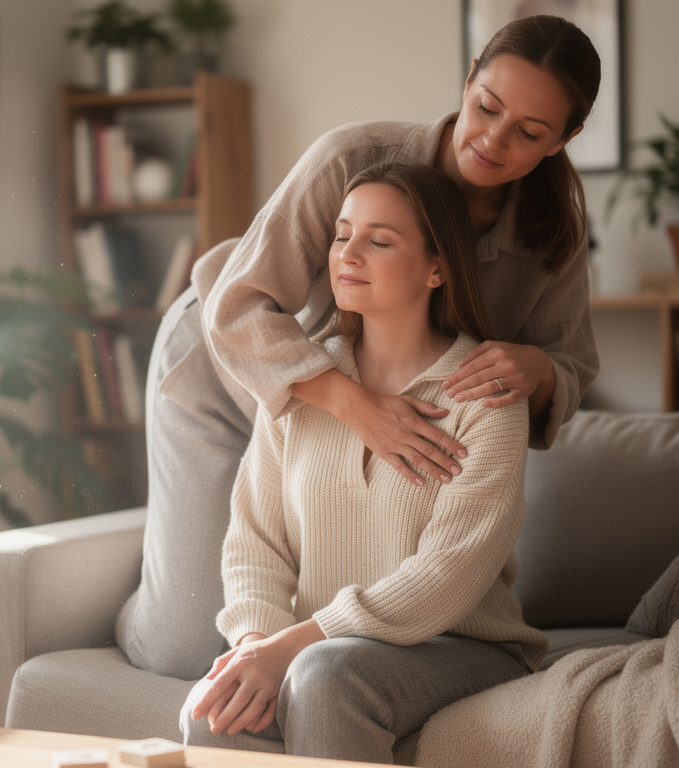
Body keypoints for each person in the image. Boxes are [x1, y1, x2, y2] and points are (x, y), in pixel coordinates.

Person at [116, 14, 601, 682]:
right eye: (487, 107)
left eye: (530, 132)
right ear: (468, 82)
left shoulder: (554, 230)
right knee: (183, 646)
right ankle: (145, 599)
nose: (492, 139)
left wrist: (539, 367)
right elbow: (238, 306)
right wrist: (355, 405)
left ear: (566, 138)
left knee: (296, 647)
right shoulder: (350, 159)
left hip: (340, 403)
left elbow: (570, 363)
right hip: (221, 353)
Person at [179, 162, 549, 763]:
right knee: (211, 711)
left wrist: (295, 646)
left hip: (462, 645)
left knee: (325, 678)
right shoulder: (303, 383)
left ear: (437, 268)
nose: (348, 255)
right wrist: (256, 646)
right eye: (342, 234)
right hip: (318, 647)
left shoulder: (485, 399)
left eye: (379, 241)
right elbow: (254, 541)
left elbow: (447, 575)